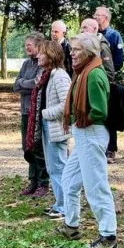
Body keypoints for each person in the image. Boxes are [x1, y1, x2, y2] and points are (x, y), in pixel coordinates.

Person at [58, 33, 118, 248]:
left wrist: (78, 120)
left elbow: (100, 111)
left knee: (96, 186)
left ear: (90, 52)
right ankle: (71, 225)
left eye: (77, 49)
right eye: (71, 49)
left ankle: (108, 236)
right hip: (84, 133)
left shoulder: (93, 74)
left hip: (91, 133)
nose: (71, 53)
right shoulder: (82, 72)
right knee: (69, 180)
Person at [36, 40, 72, 218]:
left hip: (56, 128)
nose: (37, 55)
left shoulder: (59, 76)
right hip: (48, 127)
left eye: (41, 53)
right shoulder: (47, 75)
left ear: (51, 55)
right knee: (53, 168)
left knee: (59, 167)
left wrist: (45, 113)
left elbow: (67, 104)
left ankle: (65, 207)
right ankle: (60, 203)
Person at [13, 32, 49, 197]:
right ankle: (32, 181)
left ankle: (43, 183)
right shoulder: (26, 63)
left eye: (30, 45)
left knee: (37, 147)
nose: (26, 47)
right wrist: (24, 83)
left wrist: (23, 83)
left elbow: (37, 83)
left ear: (38, 45)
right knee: (27, 147)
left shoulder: (43, 63)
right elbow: (16, 85)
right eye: (26, 44)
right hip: (25, 111)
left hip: (37, 112)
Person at [80, 17, 118, 163]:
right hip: (88, 90)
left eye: (85, 28)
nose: (82, 30)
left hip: (100, 91)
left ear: (94, 29)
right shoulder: (86, 45)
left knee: (107, 121)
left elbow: (109, 72)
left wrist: (97, 84)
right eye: (81, 28)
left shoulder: (102, 45)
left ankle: (110, 149)